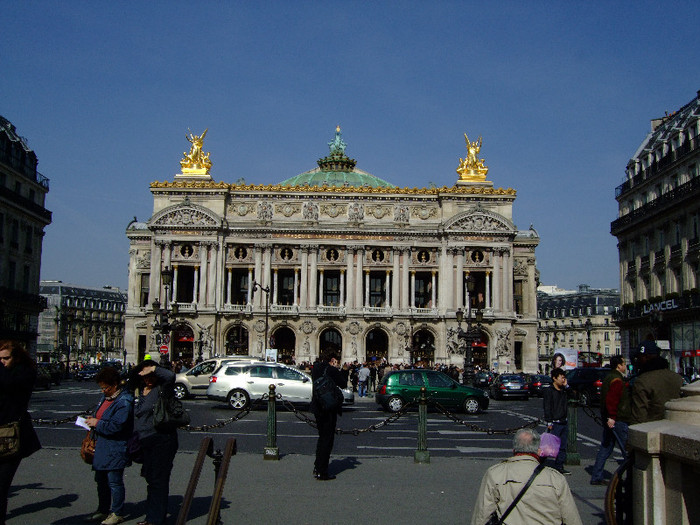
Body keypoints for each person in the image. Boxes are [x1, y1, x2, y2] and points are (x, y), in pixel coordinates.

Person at [470, 428, 582, 525]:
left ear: (514, 450)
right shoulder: (555, 478)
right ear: (539, 451)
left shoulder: (495, 473)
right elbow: (571, 518)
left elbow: (482, 514)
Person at [131, 360, 178, 525]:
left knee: (158, 480)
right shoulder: (141, 391)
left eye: (151, 375)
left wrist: (153, 368)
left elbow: (171, 376)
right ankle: (151, 516)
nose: (148, 379)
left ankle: (155, 519)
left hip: (162, 439)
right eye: (145, 376)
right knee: (151, 479)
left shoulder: (162, 390)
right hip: (145, 440)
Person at [85, 367, 134, 525]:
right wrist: (92, 420)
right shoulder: (105, 398)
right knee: (100, 480)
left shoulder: (124, 401)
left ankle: (117, 512)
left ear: (115, 385)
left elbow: (117, 426)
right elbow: (100, 415)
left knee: (114, 481)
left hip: (115, 447)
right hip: (102, 446)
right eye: (101, 387)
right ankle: (103, 509)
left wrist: (97, 423)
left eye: (105, 387)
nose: (103, 390)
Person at [0, 340, 41, 524]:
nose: (2, 362)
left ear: (16, 358)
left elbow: (9, 385)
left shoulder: (24, 373)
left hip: (12, 436)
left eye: (5, 358)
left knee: (1, 487)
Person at [590, 355, 630, 486]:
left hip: (609, 418)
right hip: (617, 419)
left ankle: (596, 475)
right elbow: (612, 400)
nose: (625, 366)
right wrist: (612, 417)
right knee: (626, 449)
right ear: (619, 365)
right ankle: (632, 477)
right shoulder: (617, 380)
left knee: (605, 447)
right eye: (624, 364)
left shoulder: (609, 377)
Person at [629, 341, 683, 425]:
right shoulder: (677, 378)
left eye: (639, 357)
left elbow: (639, 417)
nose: (637, 361)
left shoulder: (642, 381)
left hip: (652, 429)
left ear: (646, 357)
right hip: (675, 426)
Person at [310, 354, 344, 480]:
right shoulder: (331, 370)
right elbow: (343, 383)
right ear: (332, 360)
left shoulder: (315, 368)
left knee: (321, 438)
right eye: (336, 361)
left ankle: (317, 466)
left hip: (317, 407)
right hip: (328, 407)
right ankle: (322, 471)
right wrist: (339, 369)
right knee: (327, 440)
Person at [543, 368, 571, 474]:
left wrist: (567, 386)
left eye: (564, 377)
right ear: (554, 378)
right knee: (549, 447)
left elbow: (574, 396)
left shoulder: (564, 390)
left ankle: (559, 466)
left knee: (563, 446)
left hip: (564, 421)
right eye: (561, 377)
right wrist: (549, 421)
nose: (563, 379)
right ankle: (541, 463)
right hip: (554, 422)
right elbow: (547, 406)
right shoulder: (549, 391)